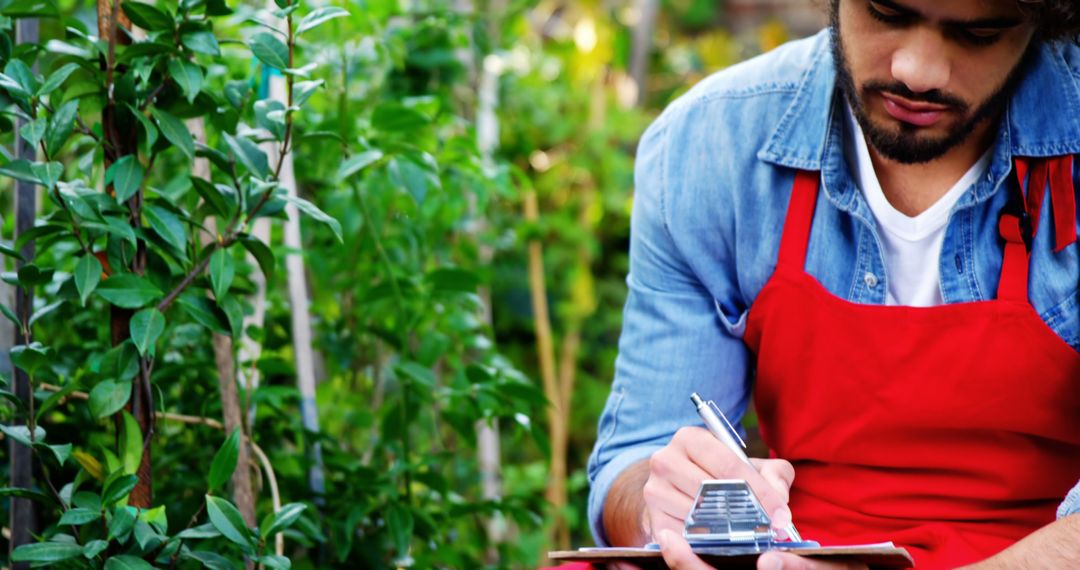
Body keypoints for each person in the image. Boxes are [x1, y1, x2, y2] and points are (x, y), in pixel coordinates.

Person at [586, 0, 1080, 568]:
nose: (917, 71)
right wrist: (666, 506)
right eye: (887, 13)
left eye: (978, 33)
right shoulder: (712, 143)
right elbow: (638, 456)